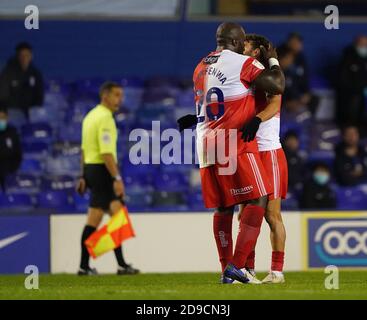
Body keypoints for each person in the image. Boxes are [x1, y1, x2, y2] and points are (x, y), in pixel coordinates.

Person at [185, 22, 285, 284]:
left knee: (223, 207)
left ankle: (225, 270)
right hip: (234, 142)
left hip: (206, 143)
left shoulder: (200, 66)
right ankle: (237, 266)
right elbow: (278, 83)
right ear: (239, 43)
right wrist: (273, 57)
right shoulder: (242, 63)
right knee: (257, 200)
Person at [239, 33, 288, 284]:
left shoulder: (267, 75)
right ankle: (247, 268)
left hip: (269, 152)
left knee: (271, 214)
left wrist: (256, 120)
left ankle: (276, 271)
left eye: (245, 44)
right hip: (248, 152)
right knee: (246, 214)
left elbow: (275, 104)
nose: (241, 47)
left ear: (256, 51)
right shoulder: (244, 71)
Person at [76, 81, 139, 276]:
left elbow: (84, 150)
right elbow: (106, 154)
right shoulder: (105, 119)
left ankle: (84, 266)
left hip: (91, 169)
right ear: (105, 96)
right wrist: (117, 177)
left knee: (95, 219)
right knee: (117, 218)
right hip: (103, 171)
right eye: (116, 95)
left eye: (120, 95)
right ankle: (120, 265)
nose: (120, 99)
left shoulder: (90, 117)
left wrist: (83, 175)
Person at [0, 42, 44, 118]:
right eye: (21, 55)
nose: (24, 58)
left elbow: (39, 95)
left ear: (31, 56)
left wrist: (33, 111)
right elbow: (3, 96)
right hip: (10, 112)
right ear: (17, 56)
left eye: (27, 55)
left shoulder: (35, 74)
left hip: (29, 113)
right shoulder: (7, 73)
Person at [336, 35, 367, 131]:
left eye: (366, 45)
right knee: (355, 100)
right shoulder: (348, 58)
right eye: (362, 44)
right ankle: (352, 129)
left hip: (363, 93)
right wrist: (359, 89)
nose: (364, 47)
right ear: (355, 45)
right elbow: (343, 81)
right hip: (351, 95)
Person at [0, 107, 22, 192]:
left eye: (2, 118)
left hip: (9, 171)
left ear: (6, 118)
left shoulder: (12, 132)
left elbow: (18, 153)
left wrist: (12, 170)